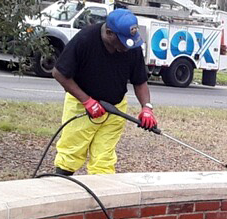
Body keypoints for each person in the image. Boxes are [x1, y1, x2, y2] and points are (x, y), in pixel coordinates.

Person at [52, 8, 158, 175]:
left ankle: (99, 196)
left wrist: (147, 107)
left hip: (115, 108)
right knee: (71, 154)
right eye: (123, 42)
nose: (127, 47)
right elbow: (59, 73)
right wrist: (87, 101)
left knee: (104, 161)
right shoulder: (85, 40)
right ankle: (61, 185)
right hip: (82, 105)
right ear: (109, 33)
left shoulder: (131, 45)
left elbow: (140, 81)